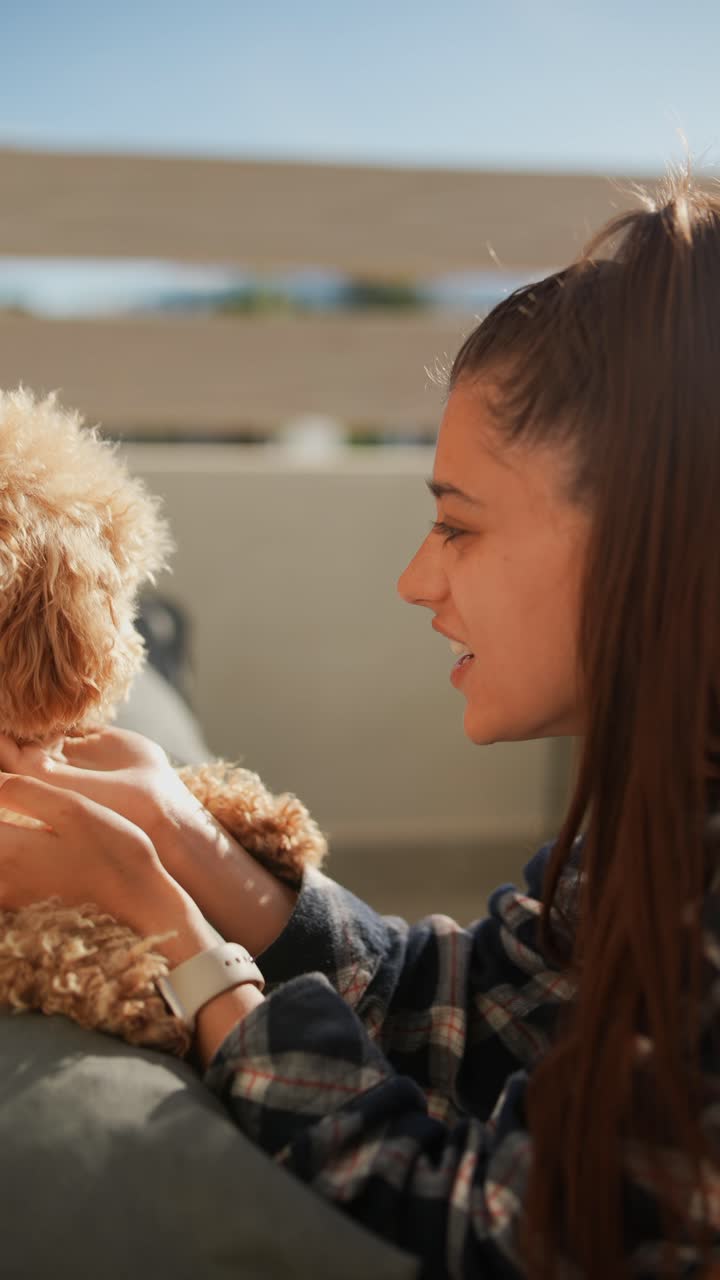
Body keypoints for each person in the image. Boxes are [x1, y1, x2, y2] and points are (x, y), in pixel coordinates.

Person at [0, 171, 718, 1280]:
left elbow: (513, 1234)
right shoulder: (665, 802)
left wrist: (178, 942)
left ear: (650, 531)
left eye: (458, 525)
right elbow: (480, 1011)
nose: (414, 578)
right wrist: (185, 837)